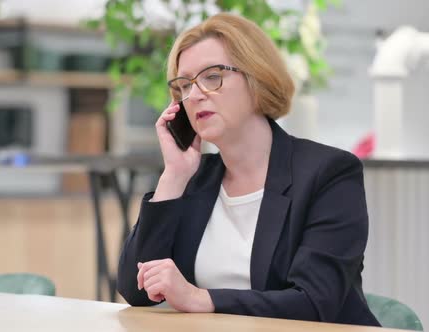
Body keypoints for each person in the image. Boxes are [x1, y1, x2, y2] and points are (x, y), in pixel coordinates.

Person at [116, 13, 381, 327]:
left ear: (257, 78)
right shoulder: (193, 180)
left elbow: (314, 301)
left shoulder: (329, 173)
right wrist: (173, 175)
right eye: (185, 84)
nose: (195, 94)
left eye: (212, 77)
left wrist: (202, 298)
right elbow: (137, 290)